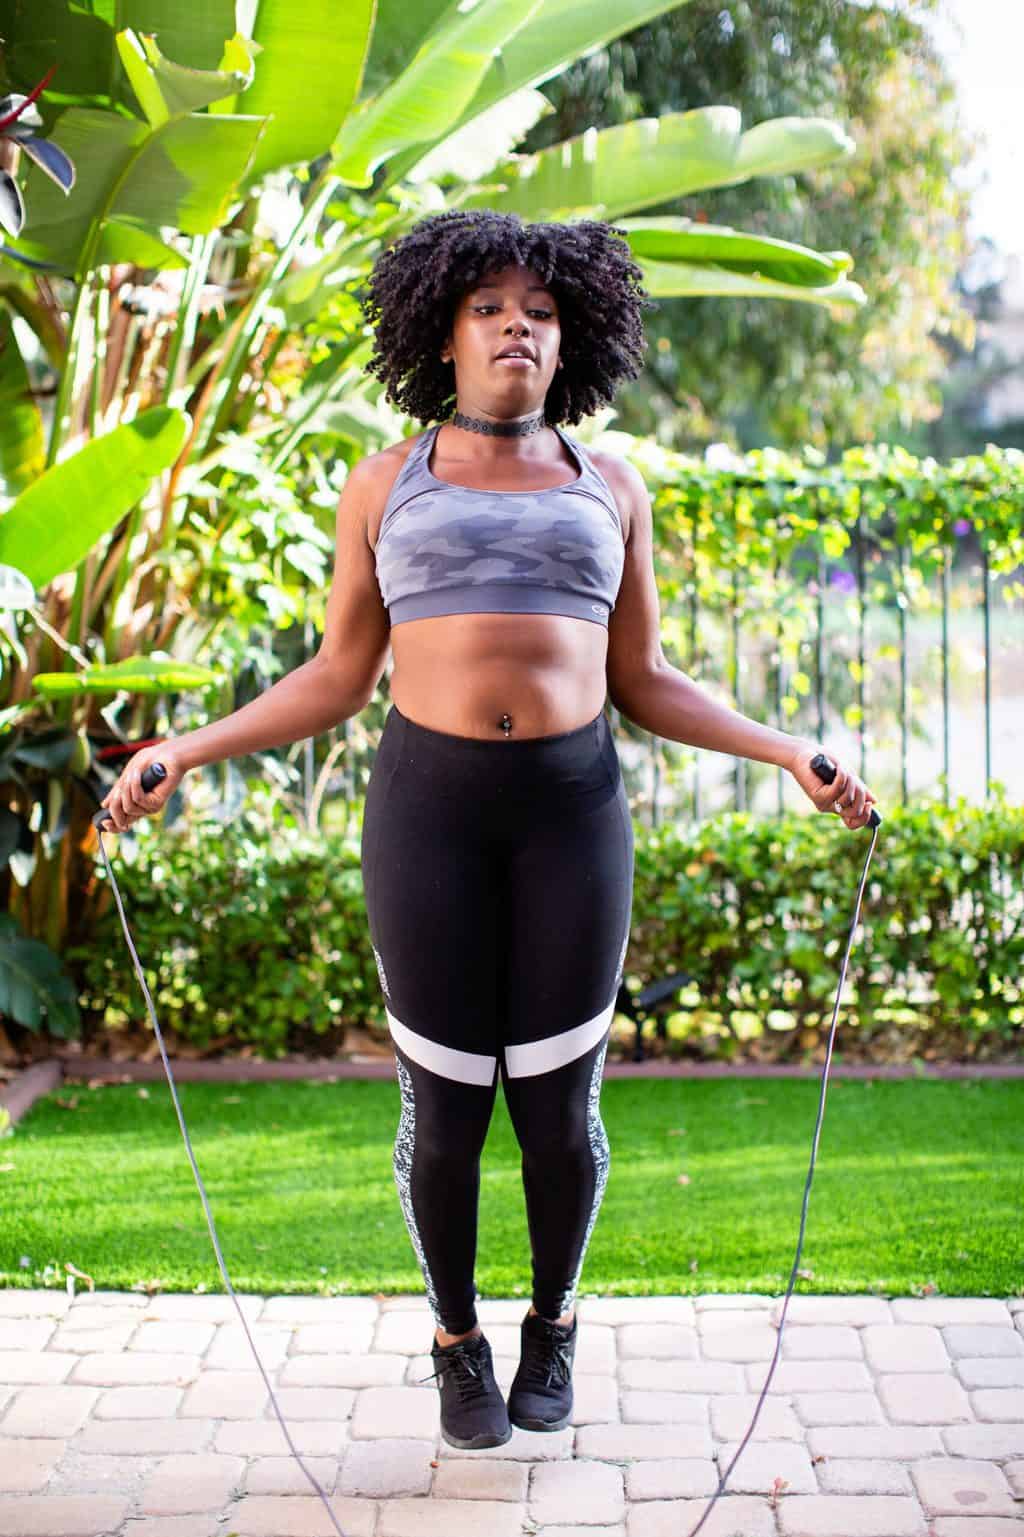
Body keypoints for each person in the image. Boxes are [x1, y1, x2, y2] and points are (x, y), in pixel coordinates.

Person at [99, 209, 877, 1452]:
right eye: (488, 307)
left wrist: (790, 752)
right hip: (430, 819)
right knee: (447, 1110)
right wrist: (182, 748)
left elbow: (649, 682)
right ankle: (455, 1341)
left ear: (572, 339)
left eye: (542, 308)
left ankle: (553, 1323)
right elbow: (336, 678)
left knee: (558, 1115)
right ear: (441, 336)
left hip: (571, 820)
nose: (518, 322)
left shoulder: (609, 486)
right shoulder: (383, 483)